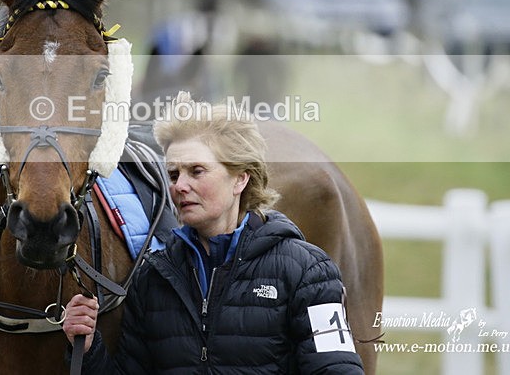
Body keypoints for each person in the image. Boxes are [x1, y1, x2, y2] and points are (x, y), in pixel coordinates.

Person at [63, 92, 364, 373]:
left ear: (240, 180)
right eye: (173, 174)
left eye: (197, 171)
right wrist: (88, 348)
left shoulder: (309, 271)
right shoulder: (152, 278)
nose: (180, 186)